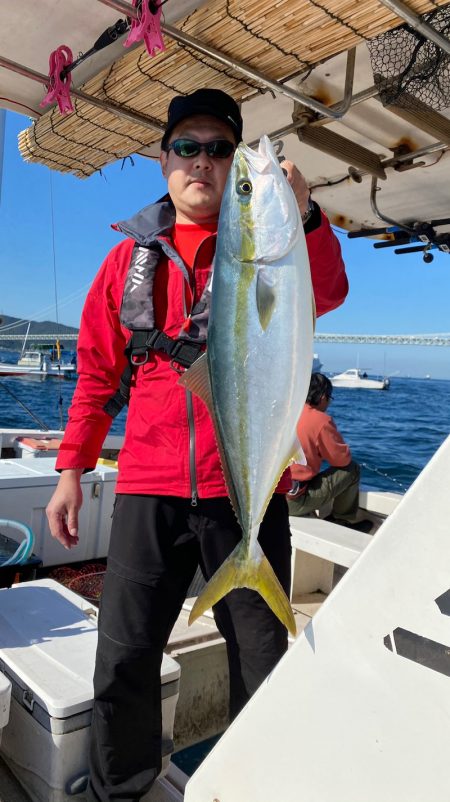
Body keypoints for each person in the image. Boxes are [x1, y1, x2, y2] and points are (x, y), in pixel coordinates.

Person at [46, 88, 349, 802]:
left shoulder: (271, 245)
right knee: (123, 659)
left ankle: (253, 786)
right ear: (163, 161)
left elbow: (327, 290)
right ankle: (122, 788)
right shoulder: (128, 263)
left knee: (262, 658)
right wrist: (70, 470)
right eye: (188, 147)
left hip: (243, 490)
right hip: (149, 486)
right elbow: (95, 373)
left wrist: (304, 215)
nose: (205, 163)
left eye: (221, 150)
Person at [287, 372, 369, 528]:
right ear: (323, 397)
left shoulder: (285, 412)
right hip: (292, 502)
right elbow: (342, 460)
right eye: (330, 399)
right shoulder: (321, 420)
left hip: (269, 499)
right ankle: (343, 519)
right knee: (352, 470)